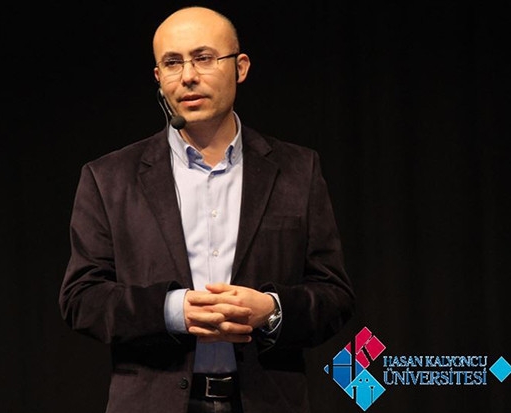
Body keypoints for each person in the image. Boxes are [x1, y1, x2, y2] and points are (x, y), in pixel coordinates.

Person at [59, 6, 355, 413]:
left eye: (203, 58)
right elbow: (82, 298)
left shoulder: (297, 171)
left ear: (240, 67)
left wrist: (271, 310)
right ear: (158, 77)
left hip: (267, 400)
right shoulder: (108, 178)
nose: (188, 76)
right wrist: (172, 311)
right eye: (172, 63)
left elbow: (334, 295)